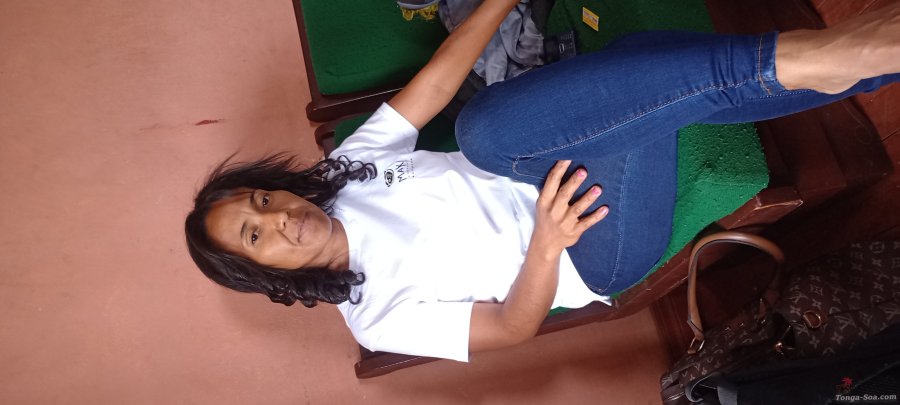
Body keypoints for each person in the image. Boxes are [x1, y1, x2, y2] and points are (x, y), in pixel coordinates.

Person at [185, 0, 900, 361]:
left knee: (498, 125)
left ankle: (858, 59)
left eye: (261, 199)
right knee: (629, 74)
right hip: (589, 244)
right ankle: (852, 50)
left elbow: (434, 87)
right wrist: (548, 243)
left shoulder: (343, 172)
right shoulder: (374, 316)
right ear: (267, 274)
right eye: (256, 235)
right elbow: (512, 326)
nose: (278, 218)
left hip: (545, 162)